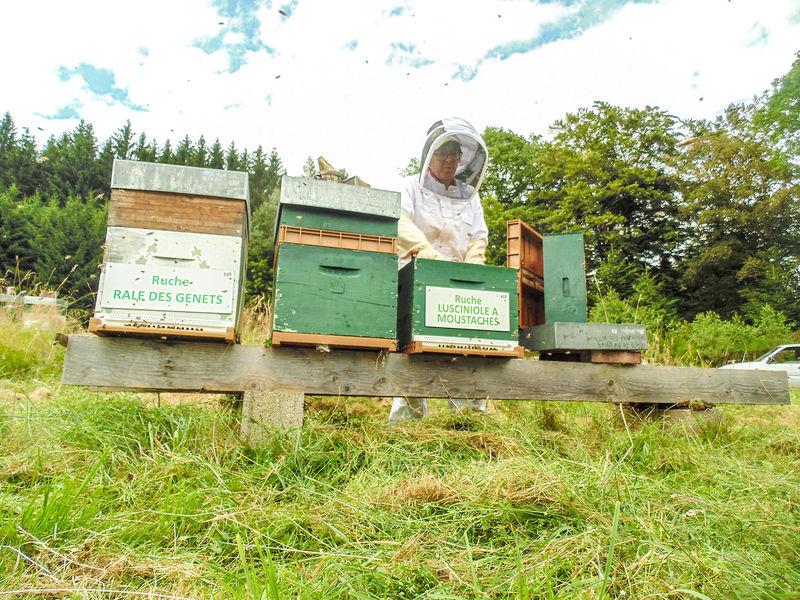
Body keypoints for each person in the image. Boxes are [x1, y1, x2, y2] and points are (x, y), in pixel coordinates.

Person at [388, 117, 490, 425]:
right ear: (429, 155)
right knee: (413, 352)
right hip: (416, 275)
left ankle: (471, 427)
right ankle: (407, 429)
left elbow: (478, 238)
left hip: (458, 282)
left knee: (467, 351)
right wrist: (429, 256)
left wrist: (473, 275)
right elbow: (400, 223)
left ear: (463, 160)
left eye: (454, 154)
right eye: (442, 153)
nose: (448, 160)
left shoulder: (471, 197)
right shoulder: (410, 186)